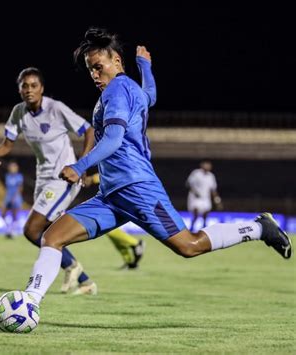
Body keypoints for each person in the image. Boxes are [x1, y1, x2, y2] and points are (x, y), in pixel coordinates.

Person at [16, 27, 291, 311]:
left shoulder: (117, 91)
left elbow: (113, 139)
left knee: (189, 245)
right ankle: (29, 303)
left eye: (98, 67)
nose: (95, 75)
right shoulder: (131, 89)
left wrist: (80, 165)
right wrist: (145, 66)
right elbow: (151, 95)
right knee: (52, 237)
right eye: (90, 70)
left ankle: (259, 228)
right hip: (111, 195)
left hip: (137, 188)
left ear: (116, 62)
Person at [0, 67, 98, 295]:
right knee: (48, 232)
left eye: (33, 85)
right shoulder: (19, 112)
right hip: (43, 179)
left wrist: (82, 165)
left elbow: (89, 130)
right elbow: (7, 145)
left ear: (42, 89)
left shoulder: (56, 109)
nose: (29, 90)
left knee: (31, 229)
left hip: (64, 178)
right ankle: (85, 281)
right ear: (19, 90)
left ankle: (71, 267)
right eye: (24, 86)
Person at [83, 173, 145, 269]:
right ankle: (129, 261)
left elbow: (113, 174)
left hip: (124, 199)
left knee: (109, 229)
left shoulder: (123, 165)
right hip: (115, 199)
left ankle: (135, 244)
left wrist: (92, 179)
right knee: (111, 231)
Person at [186, 160, 223, 231]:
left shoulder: (211, 176)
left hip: (206, 198)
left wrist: (217, 201)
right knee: (196, 213)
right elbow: (189, 184)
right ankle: (192, 227)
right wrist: (195, 192)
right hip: (195, 198)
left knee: (206, 214)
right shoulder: (196, 173)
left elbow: (213, 190)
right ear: (202, 165)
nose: (208, 166)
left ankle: (204, 228)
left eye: (209, 165)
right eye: (206, 164)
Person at [1, 161, 24, 239]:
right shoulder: (7, 176)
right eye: (11, 167)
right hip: (8, 196)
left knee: (14, 215)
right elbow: (7, 188)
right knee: (3, 213)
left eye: (14, 167)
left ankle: (13, 231)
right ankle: (8, 228)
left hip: (16, 197)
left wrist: (15, 197)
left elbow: (20, 188)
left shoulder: (19, 176)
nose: (13, 168)